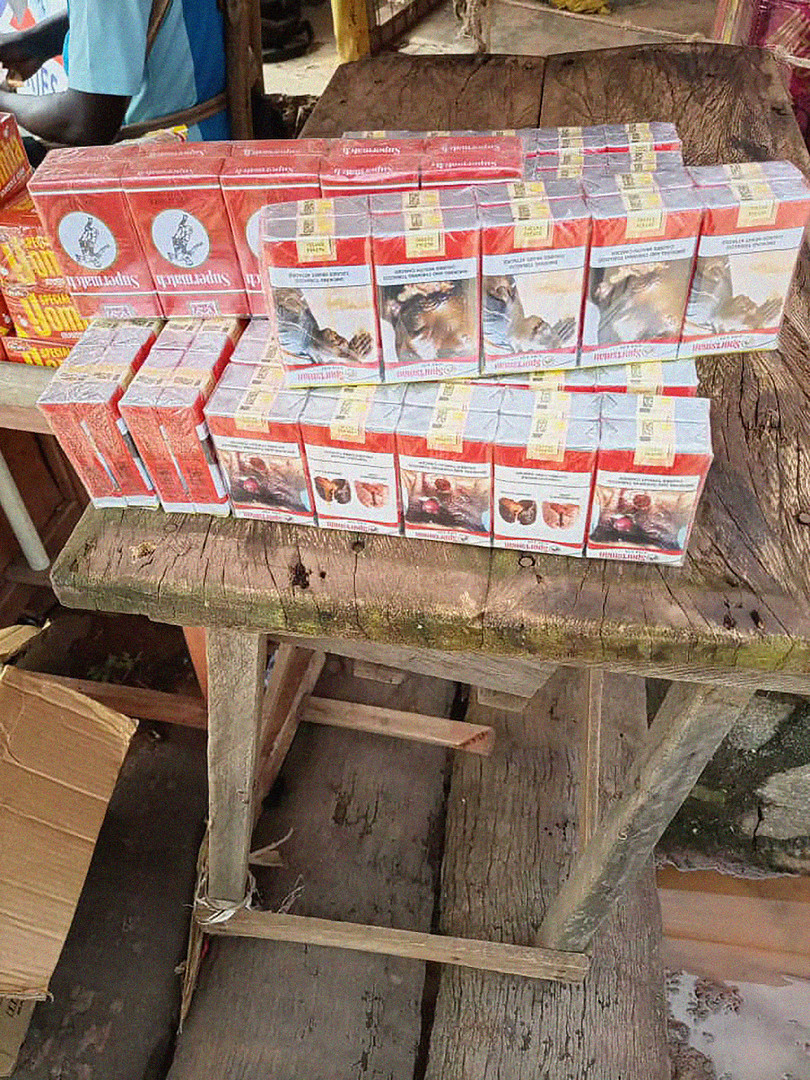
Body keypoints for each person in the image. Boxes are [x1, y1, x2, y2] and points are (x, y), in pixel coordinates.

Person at [0, 0, 229, 147]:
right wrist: (38, 43)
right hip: (209, 136)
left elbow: (85, 123)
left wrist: (4, 102)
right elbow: (127, 14)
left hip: (171, 161)